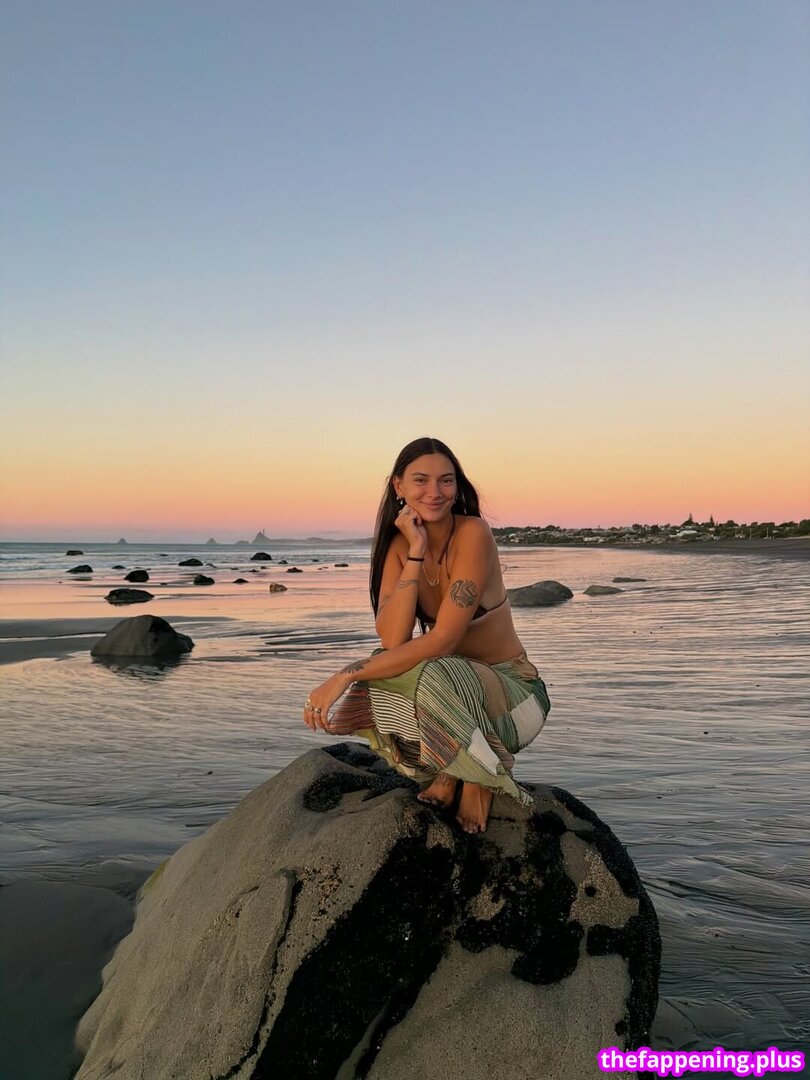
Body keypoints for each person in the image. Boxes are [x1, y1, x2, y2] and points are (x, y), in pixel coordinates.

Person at [302, 436, 550, 833]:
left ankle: (479, 778)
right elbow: (393, 638)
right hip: (453, 692)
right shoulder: (399, 546)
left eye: (446, 481)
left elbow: (443, 640)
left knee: (429, 667)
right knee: (384, 668)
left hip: (514, 699)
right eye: (421, 480)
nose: (434, 492)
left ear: (457, 486)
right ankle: (449, 767)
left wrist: (344, 674)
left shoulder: (473, 533)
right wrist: (415, 551)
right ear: (398, 485)